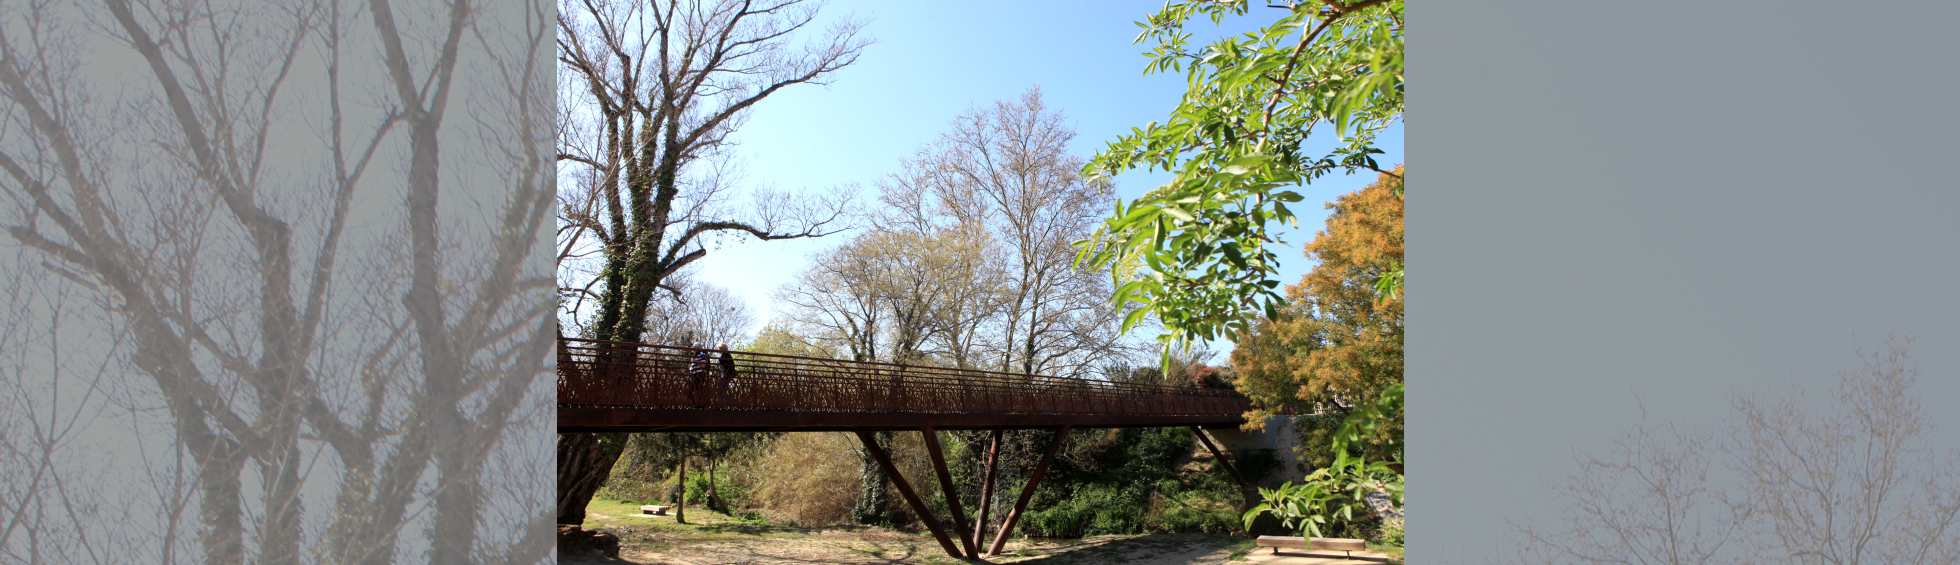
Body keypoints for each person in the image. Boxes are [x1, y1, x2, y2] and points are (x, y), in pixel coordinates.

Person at [715, 341, 737, 408]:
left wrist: (719, 362)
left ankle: (722, 405)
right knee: (721, 390)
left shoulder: (726, 354)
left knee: (721, 389)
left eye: (719, 348)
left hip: (726, 375)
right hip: (725, 375)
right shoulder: (726, 354)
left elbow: (725, 364)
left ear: (722, 348)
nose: (718, 350)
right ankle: (736, 403)